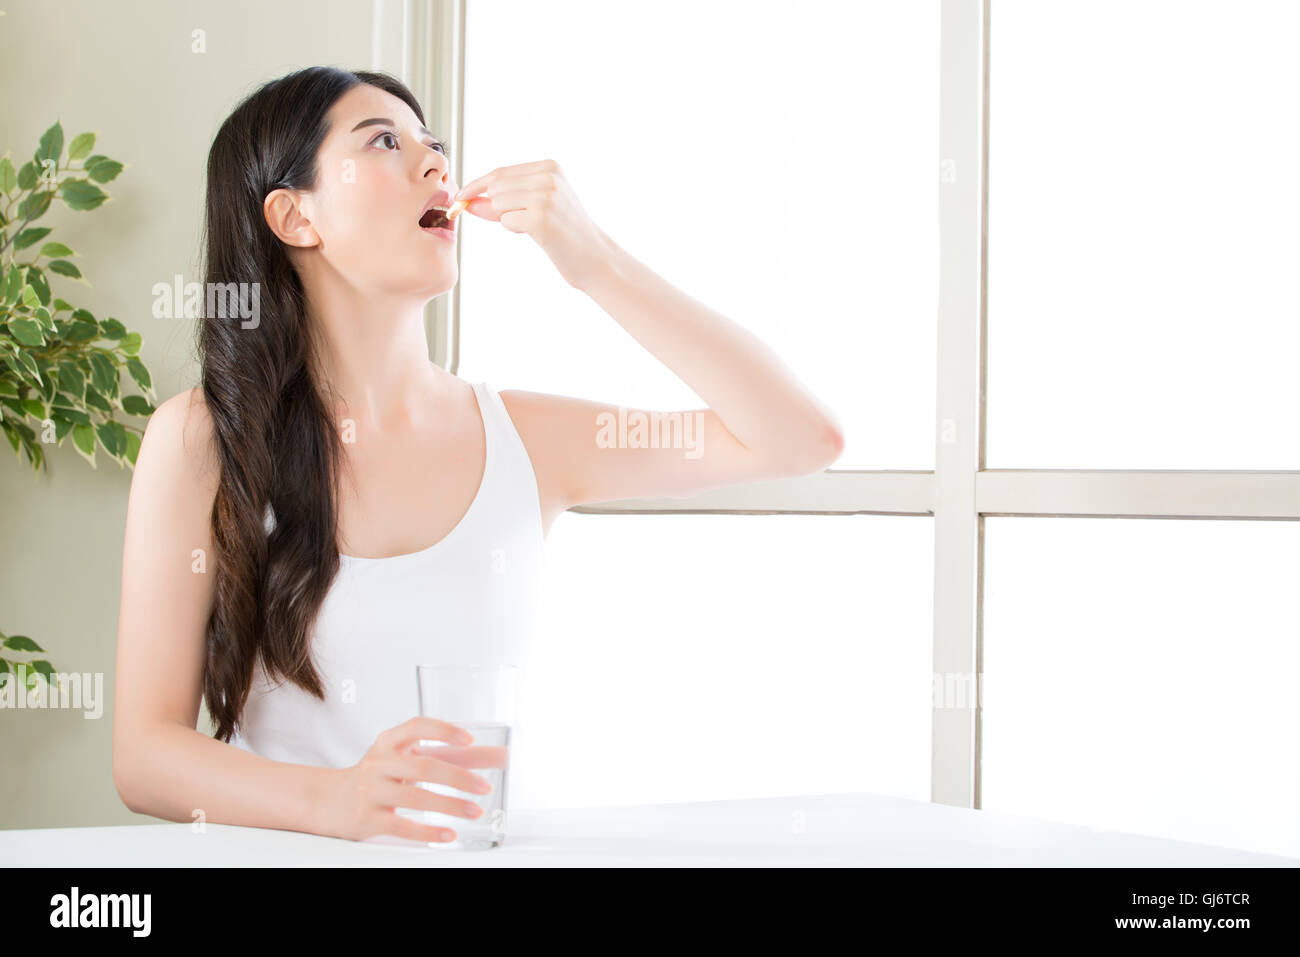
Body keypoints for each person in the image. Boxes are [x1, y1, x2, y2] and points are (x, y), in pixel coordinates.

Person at [112, 66, 844, 845]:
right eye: (385, 142)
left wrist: (596, 262)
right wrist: (335, 801)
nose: (435, 165)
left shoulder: (524, 440)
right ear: (295, 216)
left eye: (435, 146)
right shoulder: (201, 440)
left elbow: (799, 437)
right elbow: (145, 756)